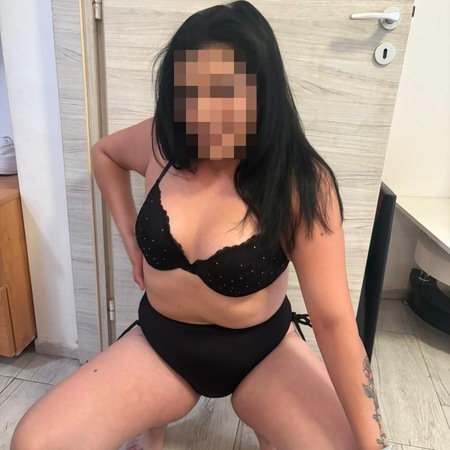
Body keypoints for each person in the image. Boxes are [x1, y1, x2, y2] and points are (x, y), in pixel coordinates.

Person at [11, 2, 394, 450]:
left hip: (264, 351)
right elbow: (104, 154)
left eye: (224, 92)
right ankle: (152, 424)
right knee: (34, 442)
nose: (203, 114)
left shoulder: (300, 182)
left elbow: (334, 324)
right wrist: (132, 239)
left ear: (262, 91)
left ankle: (267, 427)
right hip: (162, 342)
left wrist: (376, 446)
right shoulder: (161, 142)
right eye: (188, 94)